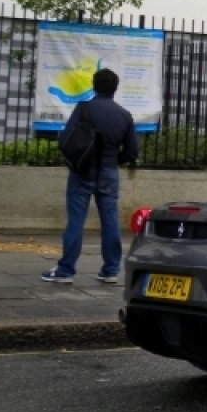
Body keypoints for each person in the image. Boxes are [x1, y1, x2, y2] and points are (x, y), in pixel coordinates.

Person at [43, 68, 139, 284]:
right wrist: (115, 159)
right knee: (110, 222)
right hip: (108, 173)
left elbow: (65, 140)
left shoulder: (84, 108)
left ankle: (66, 270)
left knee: (76, 221)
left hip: (82, 172)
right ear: (115, 88)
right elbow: (132, 151)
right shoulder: (124, 115)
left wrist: (77, 160)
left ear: (94, 86)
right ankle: (111, 270)